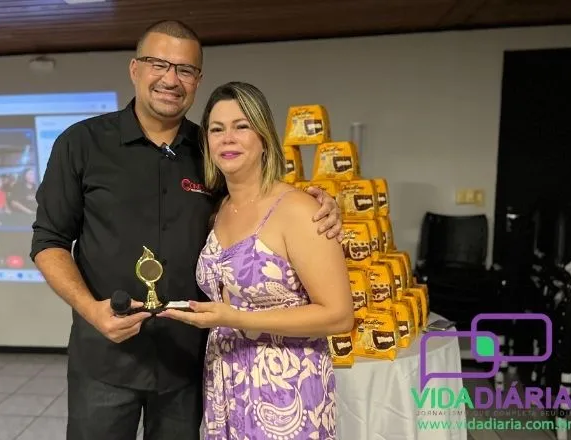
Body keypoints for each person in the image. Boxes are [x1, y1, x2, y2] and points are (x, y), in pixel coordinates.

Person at [30, 20, 343, 440]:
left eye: (185, 69)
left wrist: (316, 200)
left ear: (197, 81)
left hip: (190, 366)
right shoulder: (81, 143)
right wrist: (91, 311)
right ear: (134, 69)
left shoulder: (211, 151)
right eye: (158, 64)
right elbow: (48, 241)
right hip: (105, 359)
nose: (170, 79)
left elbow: (255, 201)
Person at [159, 82, 354, 439]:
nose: (227, 138)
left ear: (264, 135)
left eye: (241, 126)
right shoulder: (217, 209)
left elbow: (340, 315)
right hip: (225, 382)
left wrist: (234, 317)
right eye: (217, 129)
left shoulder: (299, 209)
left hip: (288, 389)